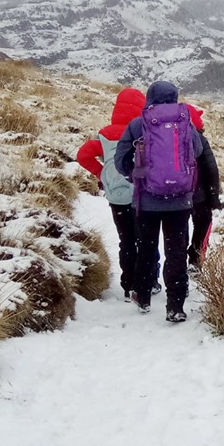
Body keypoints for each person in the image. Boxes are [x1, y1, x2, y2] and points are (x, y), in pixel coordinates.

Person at [115, 80, 203, 323]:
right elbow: (196, 152)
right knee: (176, 251)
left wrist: (135, 176)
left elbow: (120, 158)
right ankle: (175, 306)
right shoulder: (186, 122)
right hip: (180, 200)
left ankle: (143, 296)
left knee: (146, 247)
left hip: (147, 200)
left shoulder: (138, 123)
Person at [76, 88, 146, 303]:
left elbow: (83, 155)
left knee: (126, 240)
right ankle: (144, 283)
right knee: (143, 240)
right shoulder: (141, 132)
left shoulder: (105, 135)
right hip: (139, 194)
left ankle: (127, 284)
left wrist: (101, 174)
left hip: (116, 195)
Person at [185, 105, 223, 268]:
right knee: (203, 224)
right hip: (199, 196)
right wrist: (213, 197)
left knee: (178, 229)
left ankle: (178, 261)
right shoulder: (199, 139)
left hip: (177, 194)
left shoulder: (169, 136)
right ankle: (196, 259)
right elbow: (211, 169)